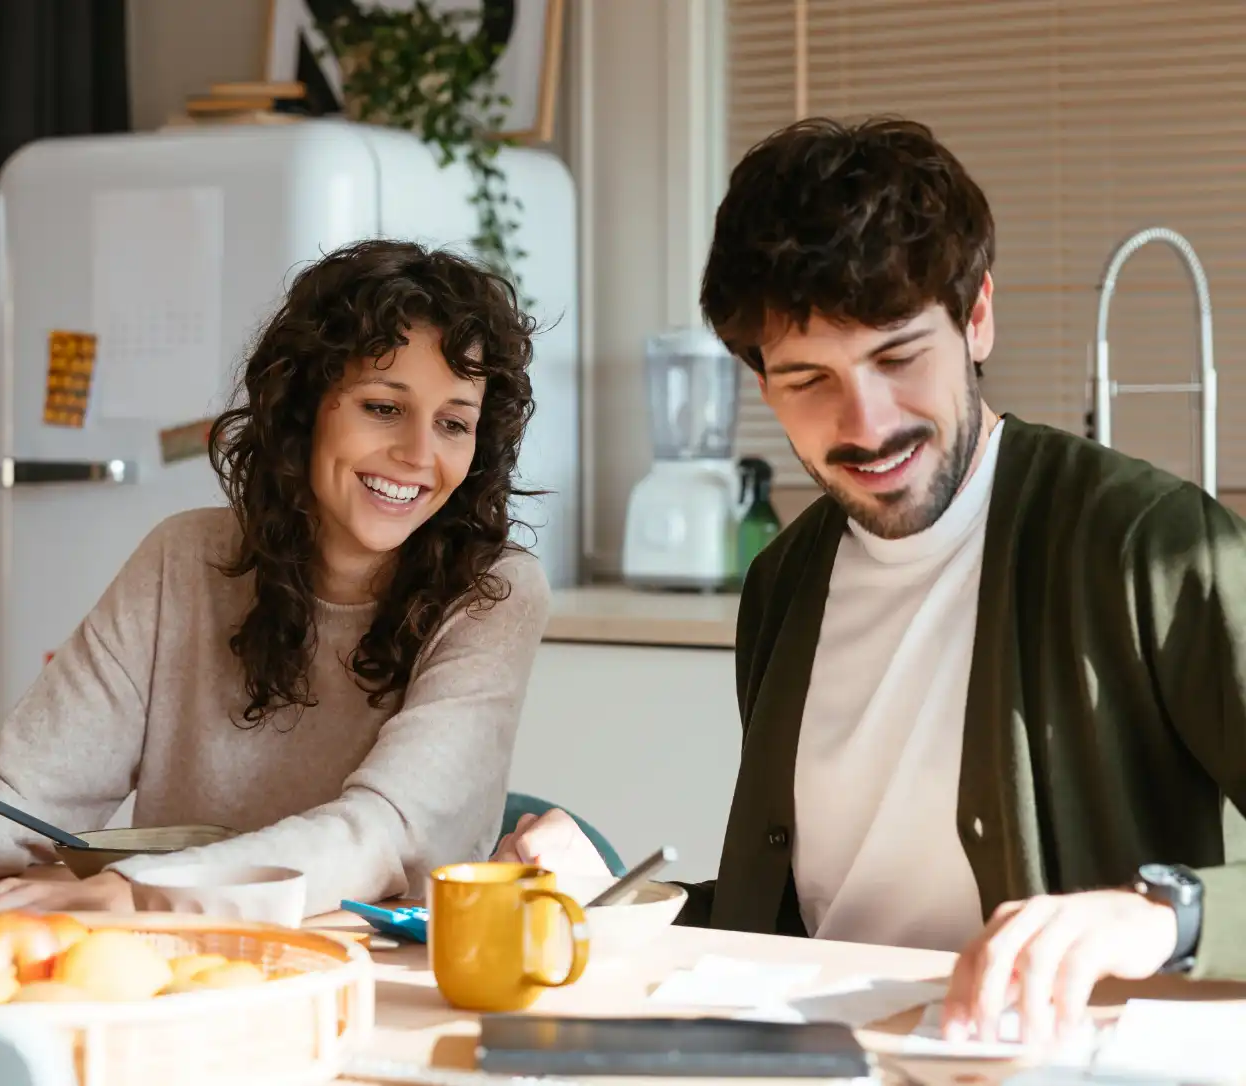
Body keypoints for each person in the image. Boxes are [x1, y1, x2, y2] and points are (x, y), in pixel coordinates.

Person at [494, 116, 1246, 1044]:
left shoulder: (1152, 547)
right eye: (808, 378)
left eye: (897, 357)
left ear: (976, 318)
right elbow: (812, 922)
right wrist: (617, 898)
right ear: (757, 380)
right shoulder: (784, 583)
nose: (865, 422)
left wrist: (1162, 916)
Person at [0, 239, 551, 918]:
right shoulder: (182, 557)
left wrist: (137, 892)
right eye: (384, 408)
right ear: (304, 405)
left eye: (453, 423)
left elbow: (382, 836)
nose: (419, 455)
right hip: (174, 972)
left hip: (378, 989)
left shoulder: (492, 594)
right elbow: (15, 793)